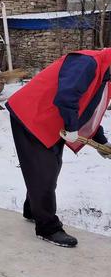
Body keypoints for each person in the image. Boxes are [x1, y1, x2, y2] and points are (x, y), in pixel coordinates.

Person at [6, 49, 111, 248]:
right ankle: (47, 227)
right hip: (32, 114)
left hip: (51, 120)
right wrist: (72, 127)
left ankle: (32, 209)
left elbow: (89, 108)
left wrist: (101, 141)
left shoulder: (106, 74)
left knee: (49, 168)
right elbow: (67, 97)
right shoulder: (89, 63)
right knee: (44, 170)